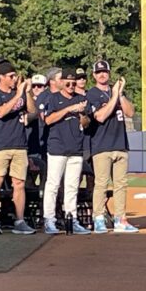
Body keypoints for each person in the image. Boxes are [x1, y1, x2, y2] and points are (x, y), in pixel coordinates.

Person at [85, 60, 138, 233]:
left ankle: (120, 219)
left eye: (105, 72)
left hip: (120, 143)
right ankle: (98, 217)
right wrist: (114, 96)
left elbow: (130, 113)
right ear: (94, 75)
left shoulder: (116, 92)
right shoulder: (92, 94)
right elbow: (100, 117)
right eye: (99, 72)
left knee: (121, 184)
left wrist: (120, 94)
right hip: (101, 146)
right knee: (101, 183)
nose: (102, 75)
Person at [0, 62, 37, 235]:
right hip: (0, 145)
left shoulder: (20, 93)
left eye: (15, 76)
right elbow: (0, 113)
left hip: (20, 144)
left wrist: (27, 92)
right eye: (11, 76)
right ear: (2, 77)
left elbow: (32, 111)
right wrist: (18, 95)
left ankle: (20, 220)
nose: (14, 79)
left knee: (19, 183)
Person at [41, 68, 90, 235]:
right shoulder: (53, 98)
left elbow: (86, 123)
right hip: (57, 148)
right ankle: (49, 219)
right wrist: (69, 109)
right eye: (67, 83)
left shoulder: (81, 99)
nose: (70, 85)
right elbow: (48, 120)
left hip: (75, 147)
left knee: (72, 186)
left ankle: (72, 218)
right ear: (61, 83)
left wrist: (82, 114)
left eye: (73, 83)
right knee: (53, 185)